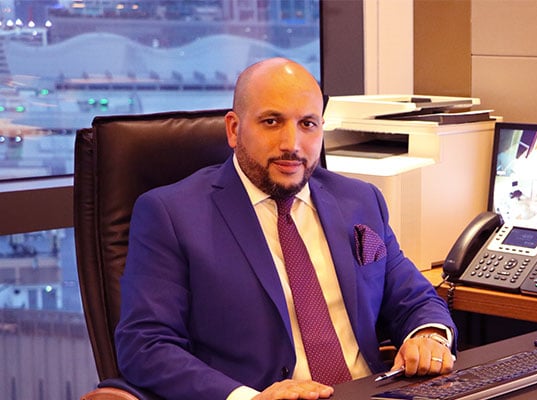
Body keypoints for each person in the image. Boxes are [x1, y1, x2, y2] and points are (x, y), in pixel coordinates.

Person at [114, 57, 457, 400]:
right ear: (234, 129)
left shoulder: (360, 200)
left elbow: (414, 298)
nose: (291, 143)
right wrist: (250, 398)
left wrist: (428, 336)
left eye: (308, 124)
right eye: (272, 121)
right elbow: (146, 346)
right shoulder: (171, 215)